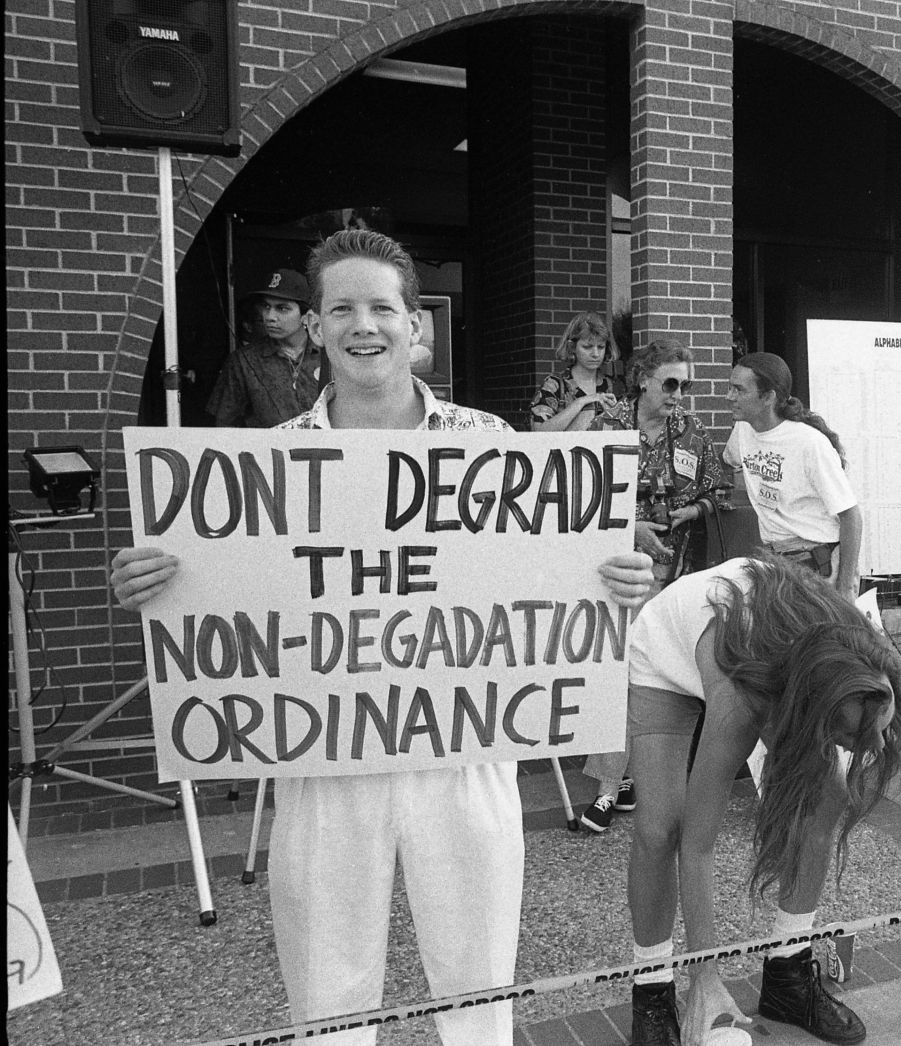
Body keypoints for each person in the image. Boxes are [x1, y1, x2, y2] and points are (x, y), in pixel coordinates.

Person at [110, 229, 657, 1046]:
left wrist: (610, 580)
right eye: (341, 308)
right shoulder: (269, 463)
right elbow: (236, 597)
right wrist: (161, 582)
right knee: (328, 991)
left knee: (478, 985)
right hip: (325, 759)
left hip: (466, 746)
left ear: (414, 324)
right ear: (317, 328)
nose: (363, 325)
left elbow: (542, 582)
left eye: (381, 307)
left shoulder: (488, 446)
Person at [624, 552, 901, 1046]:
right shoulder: (741, 701)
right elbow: (698, 846)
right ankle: (653, 991)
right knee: (661, 829)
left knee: (827, 795)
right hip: (670, 651)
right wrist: (705, 978)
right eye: (851, 736)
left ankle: (787, 974)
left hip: (781, 656)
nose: (868, 749)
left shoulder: (879, 667)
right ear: (810, 717)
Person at [578, 337, 730, 834]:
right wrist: (629, 525)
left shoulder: (690, 429)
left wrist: (695, 509)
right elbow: (580, 493)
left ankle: (629, 779)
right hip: (619, 571)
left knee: (652, 677)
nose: (678, 394)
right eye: (669, 383)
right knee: (616, 671)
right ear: (642, 378)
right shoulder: (606, 423)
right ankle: (606, 788)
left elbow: (718, 489)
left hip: (675, 574)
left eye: (685, 385)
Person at [723, 352, 863, 597]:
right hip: (775, 561)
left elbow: (851, 516)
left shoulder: (810, 444)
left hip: (817, 564)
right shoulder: (743, 429)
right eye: (730, 388)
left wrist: (845, 586)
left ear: (768, 397)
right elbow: (730, 464)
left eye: (739, 390)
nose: (729, 397)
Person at [207, 267, 328, 427]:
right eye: (266, 306)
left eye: (282, 308)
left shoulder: (329, 354)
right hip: (268, 451)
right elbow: (224, 426)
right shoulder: (244, 361)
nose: (270, 317)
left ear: (306, 316)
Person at [529, 310, 626, 432]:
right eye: (587, 347)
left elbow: (630, 432)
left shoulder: (615, 386)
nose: (595, 354)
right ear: (572, 347)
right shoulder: (554, 385)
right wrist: (581, 402)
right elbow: (539, 432)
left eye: (601, 347)